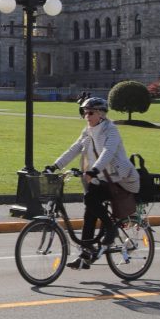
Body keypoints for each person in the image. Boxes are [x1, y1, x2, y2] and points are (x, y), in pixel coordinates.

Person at [45, 96, 140, 269]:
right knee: (89, 211)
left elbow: (108, 152)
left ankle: (111, 229)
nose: (86, 116)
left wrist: (93, 170)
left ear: (101, 114)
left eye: (90, 112)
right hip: (102, 179)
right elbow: (74, 149)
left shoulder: (111, 130)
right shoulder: (88, 132)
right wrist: (54, 166)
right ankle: (86, 252)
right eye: (84, 112)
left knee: (90, 200)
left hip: (120, 179)